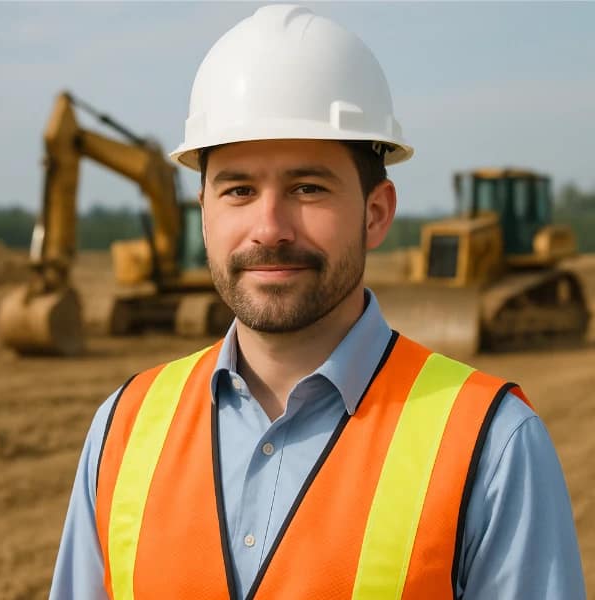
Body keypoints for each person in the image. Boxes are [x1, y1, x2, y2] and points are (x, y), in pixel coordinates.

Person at [50, 5, 586, 599]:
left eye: (308, 188)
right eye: (238, 190)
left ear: (376, 212)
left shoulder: (492, 445)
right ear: (203, 213)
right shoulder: (121, 431)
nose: (269, 226)